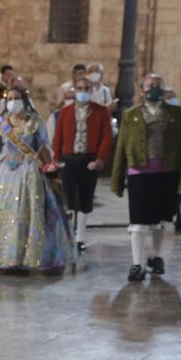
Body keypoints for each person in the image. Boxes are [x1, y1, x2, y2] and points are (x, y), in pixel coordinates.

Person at [0, 85, 73, 271]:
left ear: (24, 100)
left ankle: (22, 257)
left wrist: (51, 170)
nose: (13, 102)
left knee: (25, 214)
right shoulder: (1, 123)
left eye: (16, 98)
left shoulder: (36, 122)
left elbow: (43, 148)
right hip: (1, 172)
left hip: (28, 173)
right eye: (10, 99)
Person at [111, 73, 181, 281]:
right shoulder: (130, 115)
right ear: (142, 90)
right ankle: (137, 264)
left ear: (164, 89)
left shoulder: (180, 114)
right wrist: (117, 179)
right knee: (139, 222)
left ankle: (156, 257)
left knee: (161, 221)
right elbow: (121, 147)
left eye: (158, 85)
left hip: (168, 174)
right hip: (139, 174)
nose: (154, 88)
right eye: (150, 85)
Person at [53, 77, 114, 252]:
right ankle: (69, 235)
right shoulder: (65, 112)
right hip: (68, 159)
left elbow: (107, 137)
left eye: (86, 88)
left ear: (91, 90)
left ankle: (80, 237)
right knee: (69, 199)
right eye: (80, 88)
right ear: (74, 90)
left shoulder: (101, 111)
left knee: (85, 199)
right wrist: (56, 159)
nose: (83, 92)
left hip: (89, 160)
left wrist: (100, 159)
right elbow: (58, 138)